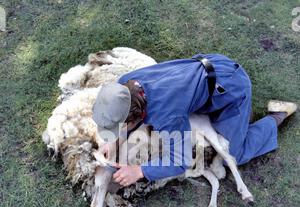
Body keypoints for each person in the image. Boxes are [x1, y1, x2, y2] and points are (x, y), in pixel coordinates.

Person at [92, 53, 297, 187]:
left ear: (137, 116)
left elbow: (180, 161)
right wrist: (113, 140)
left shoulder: (167, 114)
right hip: (210, 64)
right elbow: (128, 118)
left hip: (232, 89)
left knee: (234, 153)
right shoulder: (125, 84)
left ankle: (276, 117)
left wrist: (139, 170)